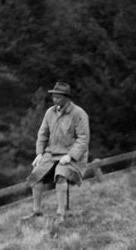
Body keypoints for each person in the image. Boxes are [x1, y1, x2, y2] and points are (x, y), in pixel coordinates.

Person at [24, 81, 90, 225]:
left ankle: (61, 213)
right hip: (51, 153)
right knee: (36, 175)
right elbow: (42, 134)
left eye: (58, 97)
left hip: (72, 156)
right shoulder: (50, 112)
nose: (55, 100)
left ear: (67, 97)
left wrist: (70, 155)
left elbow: (83, 139)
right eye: (53, 97)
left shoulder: (78, 114)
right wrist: (39, 153)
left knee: (61, 175)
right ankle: (36, 211)